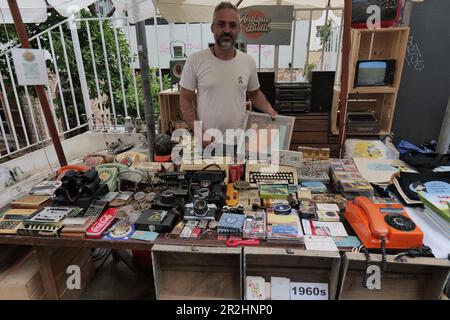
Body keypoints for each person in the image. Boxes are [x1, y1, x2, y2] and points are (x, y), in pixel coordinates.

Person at [179, 1, 277, 147]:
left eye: (232, 25)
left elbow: (254, 94)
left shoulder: (248, 61)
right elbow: (185, 101)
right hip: (208, 144)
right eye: (221, 24)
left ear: (239, 29)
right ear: (213, 28)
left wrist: (270, 110)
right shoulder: (195, 60)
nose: (227, 30)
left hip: (239, 143)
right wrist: (200, 134)